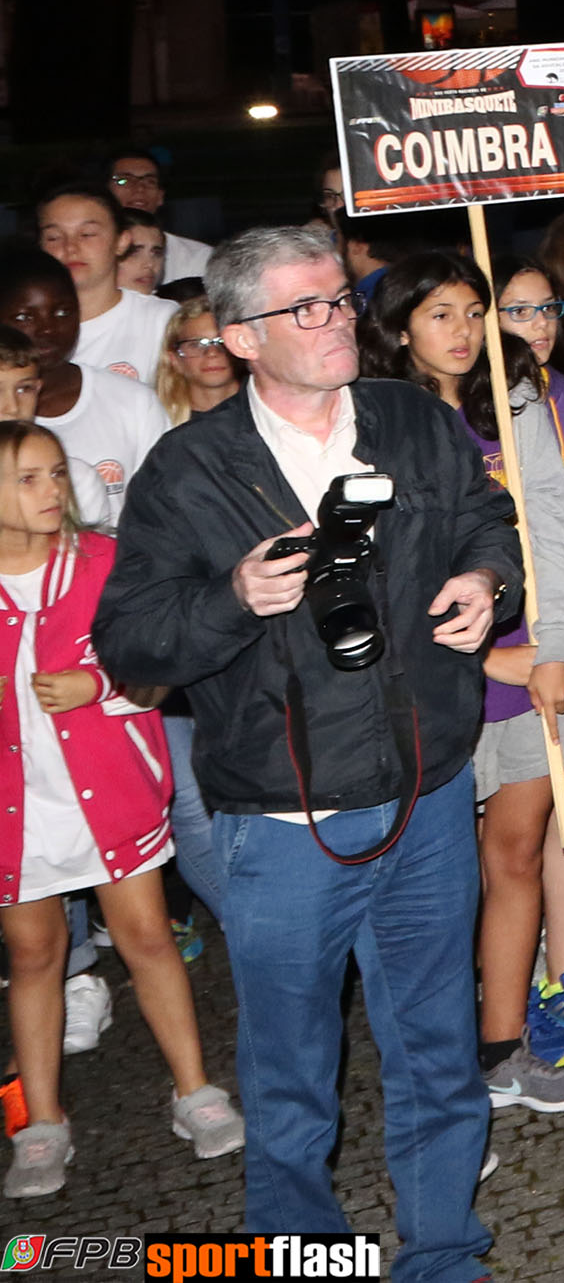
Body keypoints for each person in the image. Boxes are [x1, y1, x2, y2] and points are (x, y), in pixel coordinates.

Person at [92, 222, 522, 1280]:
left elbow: (485, 515)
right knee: (289, 1074)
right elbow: (132, 638)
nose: (337, 321)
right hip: (283, 821)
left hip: (426, 788)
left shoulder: (410, 418)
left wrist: (483, 582)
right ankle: (305, 1259)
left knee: (436, 1048)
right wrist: (232, 597)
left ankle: (443, 1254)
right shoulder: (189, 471)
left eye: (338, 298)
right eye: (306, 308)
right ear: (240, 337)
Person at [365, 253, 564, 1113]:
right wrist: (477, 659)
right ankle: (433, 1066)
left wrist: (557, 646)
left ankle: (502, 1046)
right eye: (441, 313)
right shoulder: (369, 427)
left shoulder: (515, 407)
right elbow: (376, 579)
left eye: (475, 312)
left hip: (528, 660)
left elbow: (551, 537)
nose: (465, 331)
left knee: (515, 853)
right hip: (425, 676)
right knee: (436, 879)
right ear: (400, 326)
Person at [0, 421, 239, 1197]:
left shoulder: (105, 563)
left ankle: (195, 1090)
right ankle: (42, 1122)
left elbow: (163, 664)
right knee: (34, 957)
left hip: (108, 791)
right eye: (28, 477)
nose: (51, 491)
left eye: (55, 473)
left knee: (145, 936)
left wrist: (100, 687)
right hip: (18, 808)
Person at [0, 246, 166, 532]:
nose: (47, 329)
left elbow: (164, 506)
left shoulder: (132, 401)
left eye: (63, 311)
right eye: (25, 317)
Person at [33, 184, 172, 390]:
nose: (70, 247)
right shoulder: (25, 328)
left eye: (87, 234)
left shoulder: (163, 321)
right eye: (54, 237)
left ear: (121, 242)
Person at [103, 151, 215, 284]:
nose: (139, 188)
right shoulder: (85, 252)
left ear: (160, 196)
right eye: (124, 180)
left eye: (150, 181)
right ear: (104, 192)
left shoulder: (197, 257)